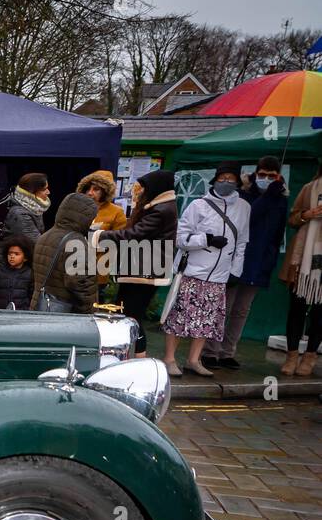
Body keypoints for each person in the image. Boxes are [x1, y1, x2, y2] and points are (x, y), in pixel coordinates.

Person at [161, 162, 250, 377]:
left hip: (219, 274)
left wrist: (235, 271)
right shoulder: (198, 205)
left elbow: (242, 242)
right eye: (222, 178)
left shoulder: (245, 208)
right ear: (215, 180)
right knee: (180, 316)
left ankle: (194, 359)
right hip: (193, 271)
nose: (226, 182)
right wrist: (207, 239)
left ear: (238, 182)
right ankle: (169, 358)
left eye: (231, 179)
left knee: (207, 319)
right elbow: (181, 239)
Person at [204, 156, 289, 369]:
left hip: (260, 261)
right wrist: (268, 196)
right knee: (225, 305)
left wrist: (270, 259)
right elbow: (250, 216)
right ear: (255, 173)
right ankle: (210, 351)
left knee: (242, 309)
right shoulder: (241, 194)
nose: (266, 179)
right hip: (236, 257)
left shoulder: (280, 199)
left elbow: (278, 232)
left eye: (271, 176)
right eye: (262, 175)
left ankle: (227, 352)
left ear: (278, 176)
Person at [93, 170, 177, 355]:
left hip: (144, 272)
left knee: (132, 318)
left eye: (143, 187)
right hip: (140, 269)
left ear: (155, 188)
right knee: (125, 314)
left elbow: (133, 234)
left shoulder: (161, 210)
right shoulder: (157, 207)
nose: (139, 191)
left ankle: (138, 359)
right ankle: (130, 357)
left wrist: (99, 235)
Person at [280, 165, 322, 375]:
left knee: (320, 312)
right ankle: (292, 355)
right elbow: (293, 218)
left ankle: (310, 356)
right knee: (297, 307)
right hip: (302, 259)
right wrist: (308, 214)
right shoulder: (309, 188)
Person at [31, 192, 98, 313]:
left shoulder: (46, 236)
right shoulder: (76, 243)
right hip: (65, 315)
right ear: (85, 217)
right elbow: (80, 284)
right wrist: (89, 311)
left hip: (41, 307)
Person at [77, 169, 127, 297]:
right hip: (75, 264)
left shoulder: (116, 212)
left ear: (105, 191)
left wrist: (95, 239)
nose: (90, 193)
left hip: (98, 268)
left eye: (96, 189)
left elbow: (119, 240)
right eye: (88, 188)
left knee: (94, 305)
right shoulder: (78, 207)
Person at [0, 173, 51, 264]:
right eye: (44, 189)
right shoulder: (20, 214)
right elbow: (37, 245)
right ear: (32, 192)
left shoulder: (34, 208)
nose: (48, 192)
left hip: (20, 267)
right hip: (10, 271)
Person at [0, 234, 35, 310]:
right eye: (10, 253)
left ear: (25, 257)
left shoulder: (31, 275)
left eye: (16, 254)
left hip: (22, 316)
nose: (12, 256)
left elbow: (32, 298)